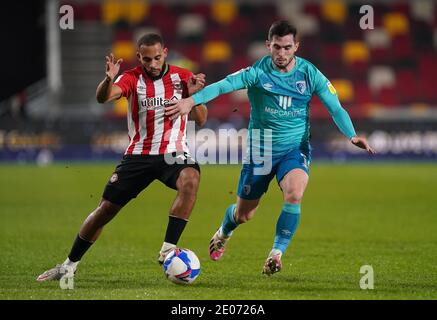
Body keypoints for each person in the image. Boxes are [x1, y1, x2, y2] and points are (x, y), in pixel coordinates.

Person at [165, 21, 375, 276]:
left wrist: (351, 136)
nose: (282, 53)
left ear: (296, 46)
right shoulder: (257, 72)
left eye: (287, 47)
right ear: (268, 45)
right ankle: (224, 231)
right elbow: (222, 86)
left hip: (295, 148)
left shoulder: (310, 74)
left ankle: (276, 253)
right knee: (244, 215)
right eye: (277, 47)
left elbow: (335, 107)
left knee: (295, 193)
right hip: (261, 148)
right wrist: (191, 100)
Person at [37, 33, 208, 282]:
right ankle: (68, 265)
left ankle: (168, 248)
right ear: (139, 57)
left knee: (191, 178)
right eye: (146, 59)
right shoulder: (131, 78)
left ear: (165, 53)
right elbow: (103, 97)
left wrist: (194, 98)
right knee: (105, 211)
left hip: (173, 153)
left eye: (157, 58)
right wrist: (107, 80)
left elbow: (201, 119)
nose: (152, 63)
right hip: (138, 156)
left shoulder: (182, 77)